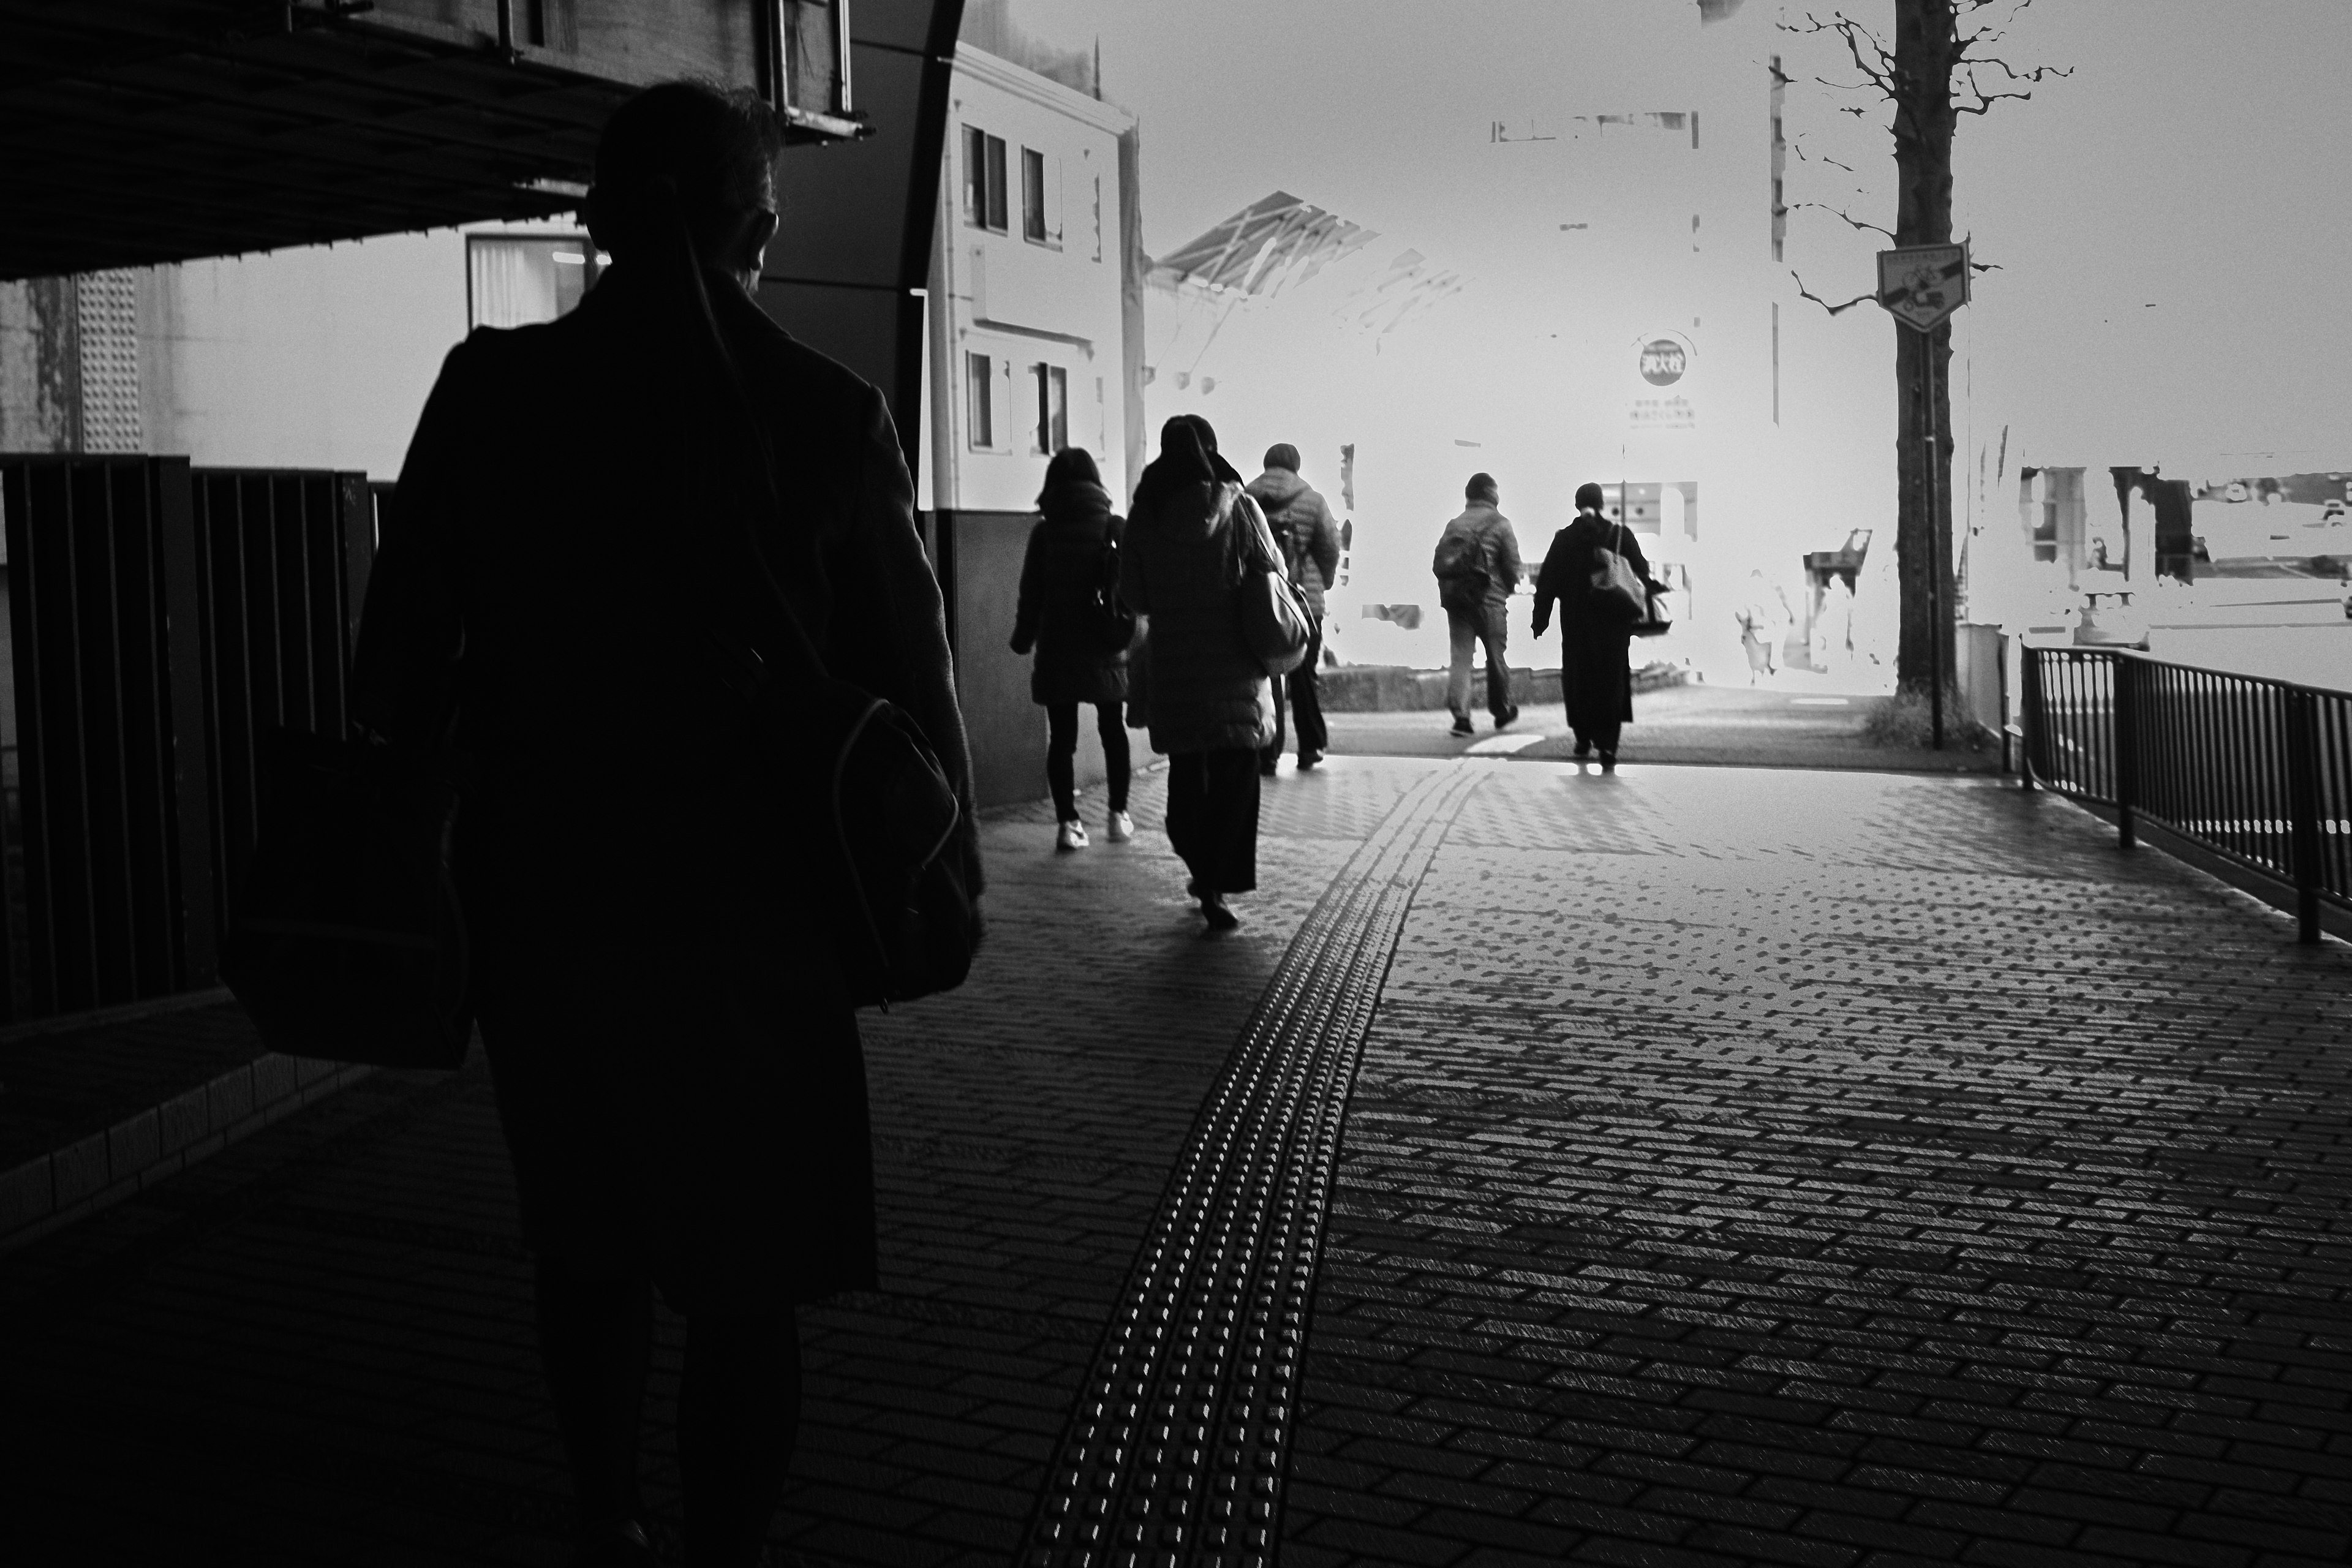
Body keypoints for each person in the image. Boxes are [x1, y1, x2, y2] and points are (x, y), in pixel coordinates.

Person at [350, 81, 981, 1568]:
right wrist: (939, 889)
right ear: (757, 220)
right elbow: (912, 694)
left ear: (598, 217)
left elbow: (393, 672)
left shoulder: (488, 394)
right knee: (746, 1279)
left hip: (544, 900)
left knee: (586, 1243)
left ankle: (603, 1514)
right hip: (756, 918)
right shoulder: (828, 415)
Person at [1120, 415, 1279, 932]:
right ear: (1211, 451)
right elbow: (1270, 568)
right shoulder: (1241, 506)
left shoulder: (1145, 515)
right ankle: (1218, 882)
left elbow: (1134, 597)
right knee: (1236, 777)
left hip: (1176, 671)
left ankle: (1199, 868)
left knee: (1188, 775)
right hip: (1236, 667)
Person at [1010, 447, 1133, 850]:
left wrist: (1023, 638)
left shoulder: (1044, 533)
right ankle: (1118, 816)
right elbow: (1130, 592)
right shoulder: (1115, 527)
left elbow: (1032, 594)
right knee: (1113, 731)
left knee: (1062, 740)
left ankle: (1068, 825)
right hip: (1106, 645)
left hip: (1058, 648)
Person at [1533, 481, 1658, 771]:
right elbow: (1641, 571)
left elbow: (1547, 581)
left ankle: (1583, 738)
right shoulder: (1619, 535)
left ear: (1577, 505)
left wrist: (1541, 618)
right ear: (1602, 504)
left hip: (1576, 624)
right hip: (1613, 624)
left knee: (1579, 679)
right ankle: (1608, 747)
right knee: (1611, 680)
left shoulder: (1564, 539)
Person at [1245, 443, 1341, 774]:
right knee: (1304, 676)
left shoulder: (1246, 498)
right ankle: (1311, 747)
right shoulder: (1313, 500)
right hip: (1303, 603)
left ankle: (1267, 753)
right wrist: (1321, 583)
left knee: (1267, 676)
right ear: (1297, 466)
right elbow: (1330, 547)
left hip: (1259, 602)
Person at [1430, 472, 1523, 736]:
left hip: (1457, 599)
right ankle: (1501, 712)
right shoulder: (1501, 524)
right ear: (1492, 493)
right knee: (1495, 657)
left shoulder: (1454, 524)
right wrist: (1507, 588)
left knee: (1460, 658)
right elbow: (1513, 566)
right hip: (1489, 601)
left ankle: (1462, 718)